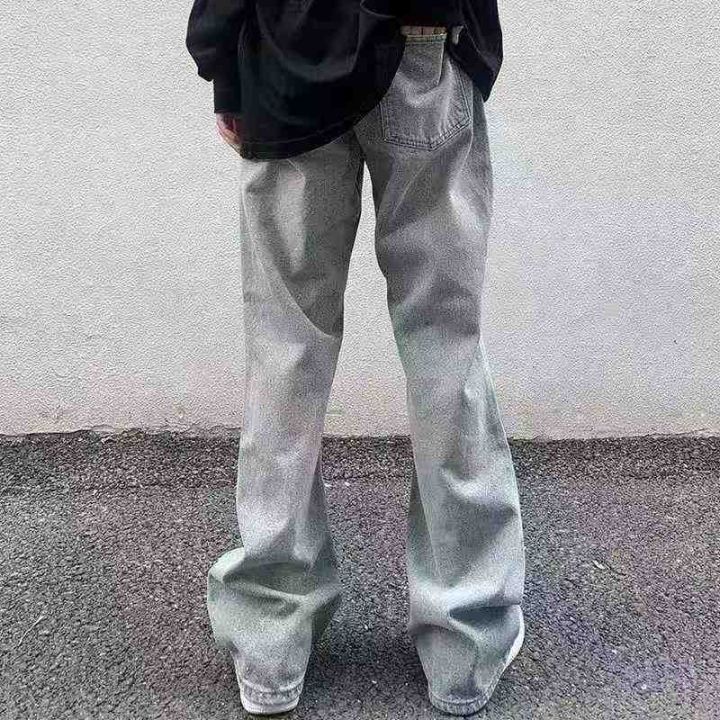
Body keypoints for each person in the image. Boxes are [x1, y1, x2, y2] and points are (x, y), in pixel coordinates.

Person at [185, 0, 526, 715]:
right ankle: (464, 646)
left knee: (286, 352)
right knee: (445, 346)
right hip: (423, 44)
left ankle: (271, 647)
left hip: (291, 57)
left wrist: (223, 63)